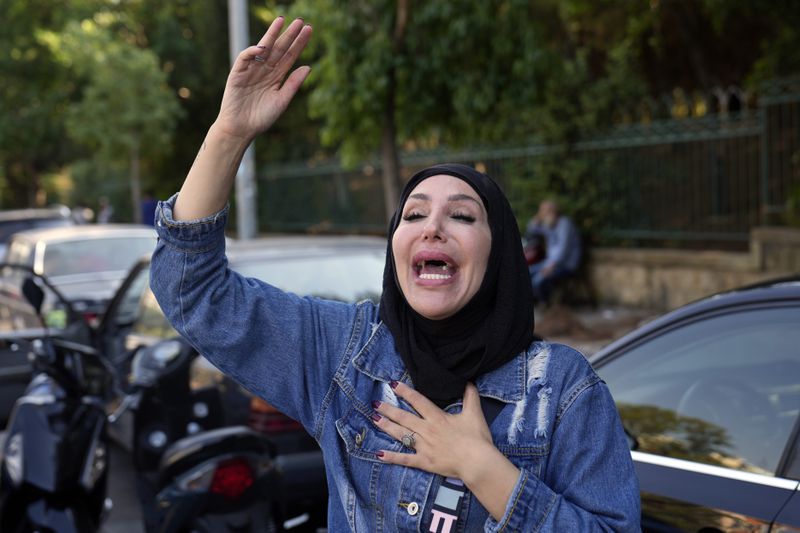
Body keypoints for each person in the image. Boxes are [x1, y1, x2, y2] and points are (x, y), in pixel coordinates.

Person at [149, 17, 639, 532]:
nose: (432, 228)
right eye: (414, 214)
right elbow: (193, 292)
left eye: (463, 216)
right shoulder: (346, 353)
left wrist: (482, 468)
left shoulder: (562, 391)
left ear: (499, 255)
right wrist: (229, 134)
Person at [525, 199, 582, 304]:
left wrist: (551, 266)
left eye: (548, 211)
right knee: (525, 273)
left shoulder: (565, 224)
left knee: (537, 281)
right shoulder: (549, 225)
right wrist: (538, 216)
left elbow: (563, 250)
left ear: (555, 211)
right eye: (543, 211)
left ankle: (547, 305)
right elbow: (531, 229)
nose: (545, 214)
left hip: (565, 265)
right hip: (549, 263)